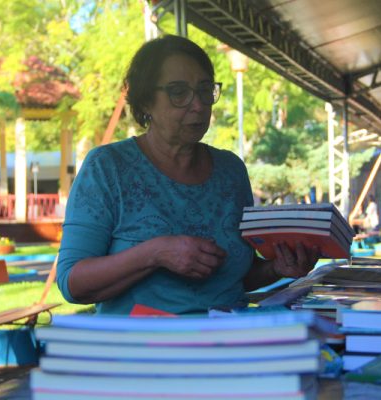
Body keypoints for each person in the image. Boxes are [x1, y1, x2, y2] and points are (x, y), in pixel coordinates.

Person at [57, 35, 319, 315]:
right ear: (146, 101)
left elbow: (234, 276)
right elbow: (72, 282)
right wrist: (155, 253)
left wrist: (275, 269)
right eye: (179, 92)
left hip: (229, 342)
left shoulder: (230, 170)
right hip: (143, 349)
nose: (198, 105)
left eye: (205, 90)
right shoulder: (108, 167)